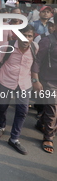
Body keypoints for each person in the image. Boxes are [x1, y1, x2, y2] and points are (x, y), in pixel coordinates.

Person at [0, 25, 38, 155]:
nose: (26, 38)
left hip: (24, 84)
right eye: (24, 35)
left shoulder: (35, 48)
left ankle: (14, 138)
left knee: (22, 111)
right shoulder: (7, 46)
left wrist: (35, 81)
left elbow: (34, 66)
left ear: (33, 38)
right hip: (6, 81)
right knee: (3, 107)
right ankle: (1, 126)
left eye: (29, 36)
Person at [32, 13, 57, 154]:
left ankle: (41, 123)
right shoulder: (47, 41)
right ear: (54, 26)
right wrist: (35, 79)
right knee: (53, 109)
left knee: (51, 110)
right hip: (48, 81)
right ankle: (48, 137)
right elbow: (37, 60)